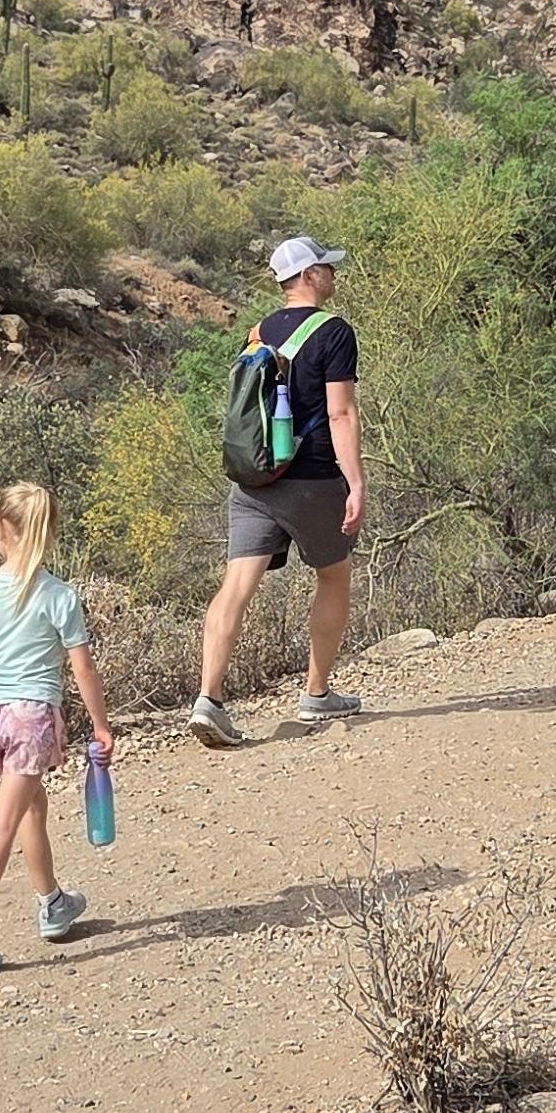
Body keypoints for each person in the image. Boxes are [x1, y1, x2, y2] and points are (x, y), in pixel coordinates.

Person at [188, 236, 364, 748]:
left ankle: (209, 700)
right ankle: (316, 692)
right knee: (333, 576)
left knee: (235, 588)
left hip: (256, 478)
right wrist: (355, 481)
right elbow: (340, 413)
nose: (333, 275)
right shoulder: (334, 332)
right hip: (312, 478)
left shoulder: (258, 331)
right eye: (326, 268)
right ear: (309, 275)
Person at [0, 482, 118, 974]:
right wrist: (100, 725)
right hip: (30, 716)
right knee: (3, 821)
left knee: (29, 807)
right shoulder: (59, 595)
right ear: (50, 532)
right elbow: (83, 669)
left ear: (0, 528)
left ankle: (53, 903)